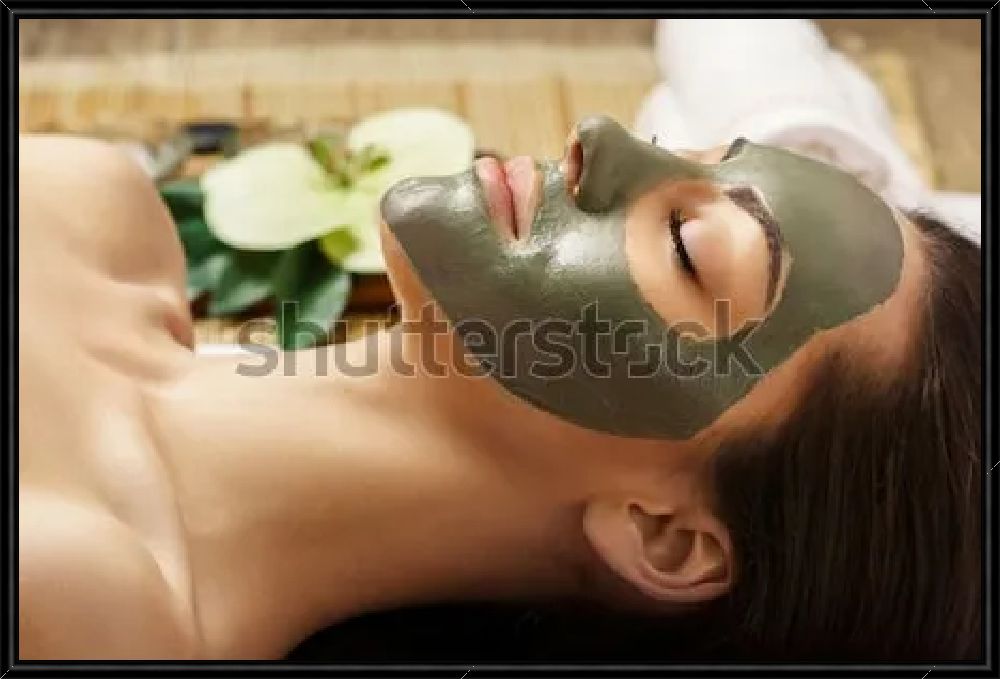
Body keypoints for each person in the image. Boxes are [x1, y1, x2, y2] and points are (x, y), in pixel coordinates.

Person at [18, 109, 980, 662]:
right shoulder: (89, 208)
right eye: (690, 151)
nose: (601, 136)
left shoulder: (73, 607)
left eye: (688, 243)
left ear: (663, 535)